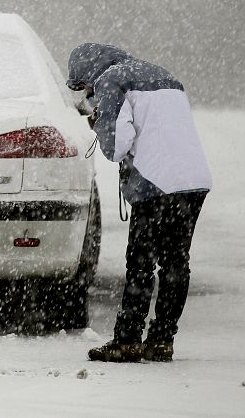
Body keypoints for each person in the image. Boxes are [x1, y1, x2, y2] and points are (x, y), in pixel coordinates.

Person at [66, 43, 212, 363]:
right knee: (175, 262)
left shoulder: (111, 81)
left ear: (91, 72)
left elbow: (116, 147)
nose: (88, 93)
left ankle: (127, 341)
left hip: (155, 180)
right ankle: (161, 340)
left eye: (84, 86)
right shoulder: (166, 76)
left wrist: (98, 121)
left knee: (141, 264)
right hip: (193, 180)